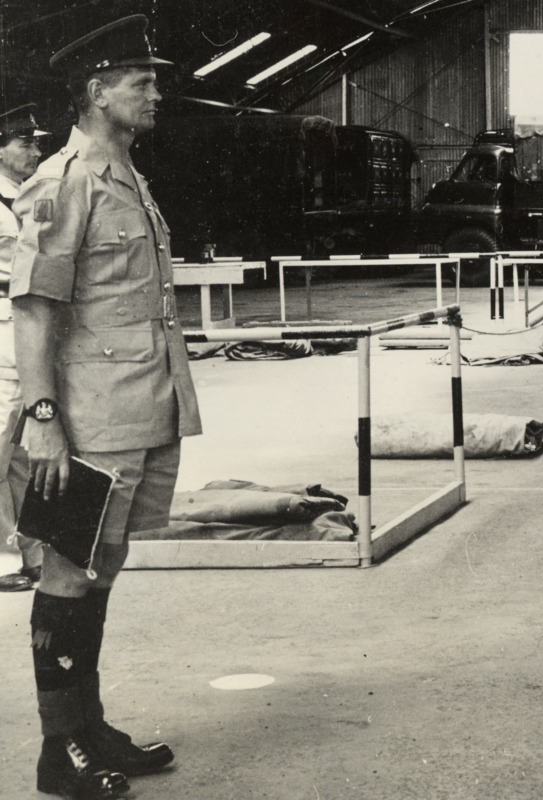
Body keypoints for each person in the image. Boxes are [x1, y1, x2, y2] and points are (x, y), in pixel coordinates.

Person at [10, 15, 202, 798]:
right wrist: (45, 421)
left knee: (102, 565)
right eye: (140, 81)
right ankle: (61, 752)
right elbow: (34, 312)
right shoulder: (65, 183)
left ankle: (87, 726)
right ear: (96, 91)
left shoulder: (125, 174)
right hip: (87, 417)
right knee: (67, 570)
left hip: (139, 408)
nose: (156, 92)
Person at [0, 103, 49, 593]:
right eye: (23, 142)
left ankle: (31, 554)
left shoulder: (29, 197)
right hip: (0, 333)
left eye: (36, 142)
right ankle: (2, 561)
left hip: (26, 332)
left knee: (21, 457)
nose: (34, 151)